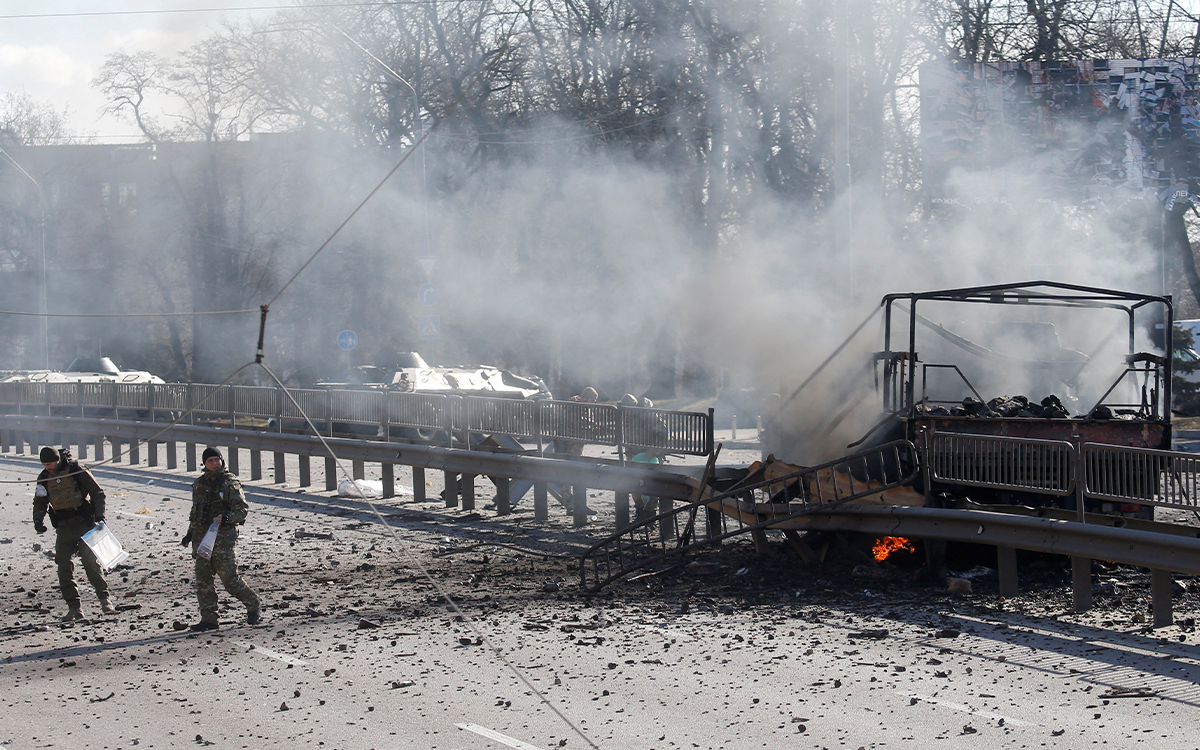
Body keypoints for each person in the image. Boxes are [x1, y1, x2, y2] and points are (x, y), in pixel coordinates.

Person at [181, 447, 260, 631]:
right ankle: (209, 619)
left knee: (230, 580)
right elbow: (195, 514)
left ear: (222, 461)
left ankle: (253, 603)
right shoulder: (199, 485)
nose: (215, 463)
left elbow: (242, 511)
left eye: (217, 460)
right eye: (210, 461)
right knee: (203, 581)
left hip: (223, 539)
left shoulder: (229, 483)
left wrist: (226, 519)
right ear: (205, 464)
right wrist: (189, 534)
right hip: (202, 540)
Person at [33, 446, 116, 621]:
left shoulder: (76, 471)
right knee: (63, 567)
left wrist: (100, 517)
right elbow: (40, 502)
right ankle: (74, 608)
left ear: (57, 460)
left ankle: (105, 600)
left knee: (90, 563)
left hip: (84, 523)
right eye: (44, 464)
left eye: (50, 464)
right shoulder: (44, 478)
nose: (47, 467)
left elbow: (97, 493)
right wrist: (38, 522)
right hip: (63, 527)